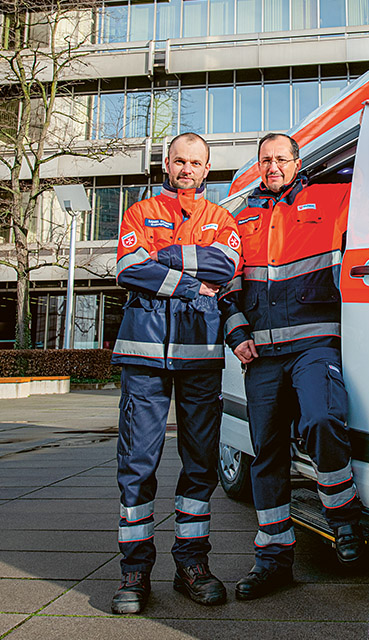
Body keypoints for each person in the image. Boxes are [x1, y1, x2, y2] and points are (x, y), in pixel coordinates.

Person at [221, 133, 364, 601]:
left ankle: (343, 521)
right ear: (258, 166)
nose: (274, 166)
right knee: (267, 452)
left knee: (324, 420)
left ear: (297, 162)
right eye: (266, 160)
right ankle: (273, 557)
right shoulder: (239, 215)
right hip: (261, 354)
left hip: (314, 344)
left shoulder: (333, 196)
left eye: (282, 158)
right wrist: (237, 331)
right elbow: (226, 283)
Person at [110, 133, 242, 614]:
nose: (187, 169)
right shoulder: (138, 211)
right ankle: (134, 572)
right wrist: (190, 283)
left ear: (208, 169)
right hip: (144, 357)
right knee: (137, 465)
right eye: (180, 161)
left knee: (201, 463)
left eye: (196, 163)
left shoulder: (223, 219)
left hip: (201, 358)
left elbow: (226, 265)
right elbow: (127, 267)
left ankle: (192, 565)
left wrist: (163, 256)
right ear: (167, 163)